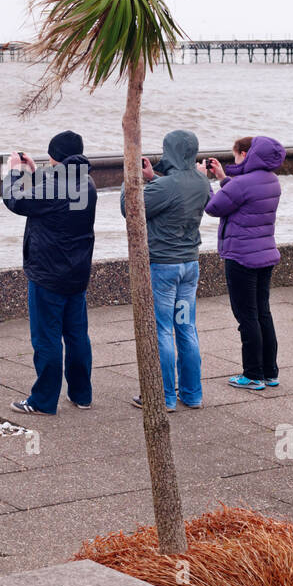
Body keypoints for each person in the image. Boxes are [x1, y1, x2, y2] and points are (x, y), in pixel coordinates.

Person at [2, 130, 98, 415]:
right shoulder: (86, 182)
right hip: (77, 271)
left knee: (47, 338)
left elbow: (17, 201)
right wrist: (34, 170)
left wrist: (14, 173)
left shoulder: (57, 185)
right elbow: (49, 192)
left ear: (54, 156)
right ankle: (82, 394)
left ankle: (42, 401)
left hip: (48, 273)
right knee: (77, 335)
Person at [120, 129, 211, 411]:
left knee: (162, 330)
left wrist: (131, 177)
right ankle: (192, 394)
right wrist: (153, 178)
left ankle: (164, 397)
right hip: (189, 265)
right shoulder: (202, 182)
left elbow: (130, 208)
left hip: (163, 269)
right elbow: (177, 191)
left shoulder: (166, 187)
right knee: (186, 327)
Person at [202, 135, 286, 391]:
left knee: (246, 316)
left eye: (236, 154)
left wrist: (202, 182)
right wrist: (223, 178)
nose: (235, 158)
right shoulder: (271, 181)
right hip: (264, 254)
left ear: (246, 154)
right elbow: (242, 198)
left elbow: (214, 207)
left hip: (241, 257)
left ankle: (251, 374)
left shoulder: (243, 184)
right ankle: (270, 372)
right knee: (263, 312)